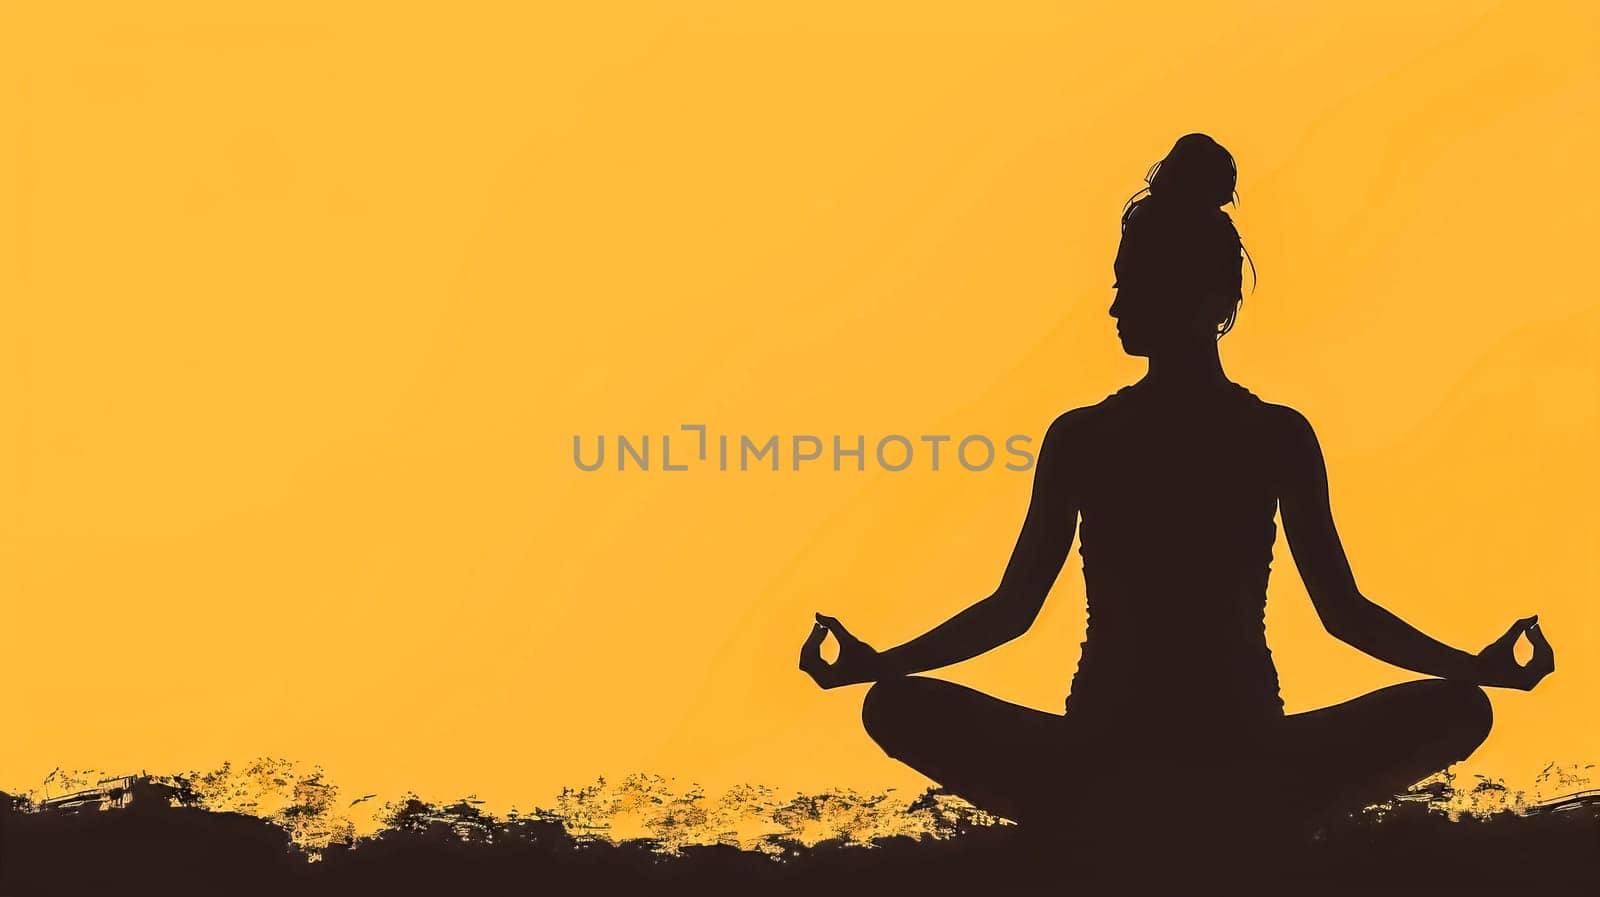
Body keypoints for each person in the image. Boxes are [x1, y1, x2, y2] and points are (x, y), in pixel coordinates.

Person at [797, 133, 1555, 834]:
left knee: (895, 703)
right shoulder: (1272, 434)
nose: (1115, 304)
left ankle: (1105, 817)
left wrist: (880, 666)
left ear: (1187, 297)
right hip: (1247, 757)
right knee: (1459, 706)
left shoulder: (1088, 436)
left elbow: (1011, 612)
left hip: (1101, 761)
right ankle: (1265, 815)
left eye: (1129, 284)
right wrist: (1474, 669)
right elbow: (1345, 614)